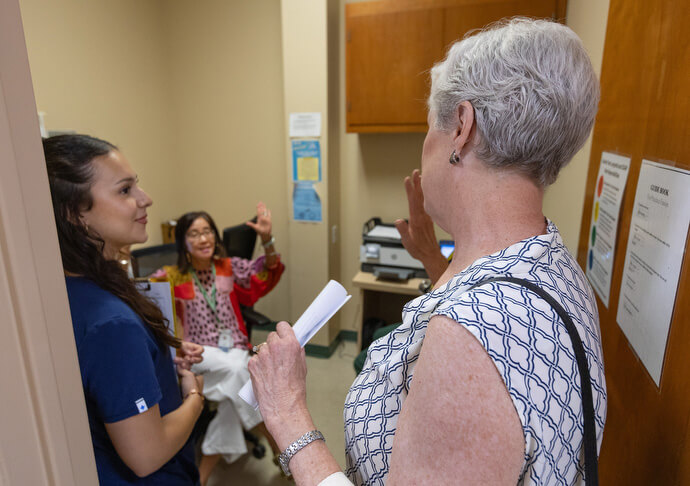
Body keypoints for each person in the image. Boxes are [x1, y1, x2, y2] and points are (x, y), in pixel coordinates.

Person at [248, 18, 607, 486]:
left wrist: (287, 411)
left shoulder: (474, 335)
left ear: (461, 126)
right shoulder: (555, 263)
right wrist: (436, 263)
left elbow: (481, 337)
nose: (424, 148)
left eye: (428, 130)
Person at [43, 134, 206, 484]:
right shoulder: (112, 323)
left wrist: (158, 361)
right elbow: (146, 454)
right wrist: (194, 397)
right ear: (74, 213)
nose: (145, 199)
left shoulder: (63, 290)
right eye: (124, 190)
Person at [153, 208, 285, 485]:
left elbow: (265, 272)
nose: (204, 238)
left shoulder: (228, 266)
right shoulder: (171, 276)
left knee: (231, 398)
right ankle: (277, 443)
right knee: (242, 369)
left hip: (232, 351)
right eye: (194, 234)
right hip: (197, 354)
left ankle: (200, 479)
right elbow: (145, 296)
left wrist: (268, 239)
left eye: (207, 231)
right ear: (183, 243)